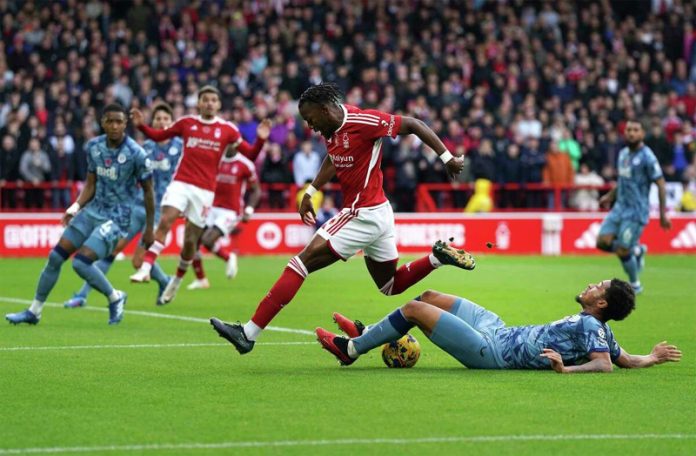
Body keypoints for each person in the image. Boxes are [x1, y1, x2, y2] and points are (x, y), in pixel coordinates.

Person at [210, 83, 473, 355]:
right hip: (379, 212)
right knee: (390, 285)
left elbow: (414, 124)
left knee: (301, 263)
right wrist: (311, 191)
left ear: (325, 110)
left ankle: (248, 333)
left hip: (362, 211)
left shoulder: (365, 121)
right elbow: (333, 158)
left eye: (311, 119)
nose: (310, 126)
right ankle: (436, 258)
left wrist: (447, 158)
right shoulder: (331, 129)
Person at [316, 280, 682, 373]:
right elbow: (622, 359)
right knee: (429, 296)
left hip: (492, 352)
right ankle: (368, 334)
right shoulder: (599, 330)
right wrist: (651, 357)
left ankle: (352, 349)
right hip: (499, 329)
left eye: (597, 287)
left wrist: (565, 369)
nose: (590, 285)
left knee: (414, 309)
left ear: (601, 304)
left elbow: (604, 364)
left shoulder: (592, 328)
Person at [6, 103, 155, 325]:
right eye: (110, 121)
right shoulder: (94, 146)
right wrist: (75, 207)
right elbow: (91, 183)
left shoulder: (137, 154)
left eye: (119, 122)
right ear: (102, 122)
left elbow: (149, 192)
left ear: (125, 124)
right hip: (92, 211)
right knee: (55, 257)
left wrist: (150, 229)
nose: (114, 126)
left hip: (117, 218)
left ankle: (114, 297)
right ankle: (34, 312)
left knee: (81, 263)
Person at [128, 86, 270, 305]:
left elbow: (250, 154)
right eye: (205, 99)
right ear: (199, 103)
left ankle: (176, 281)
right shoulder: (187, 123)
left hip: (204, 192)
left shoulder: (228, 130)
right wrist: (141, 126)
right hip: (181, 183)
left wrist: (260, 140)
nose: (209, 103)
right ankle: (145, 268)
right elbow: (159, 135)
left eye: (213, 100)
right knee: (165, 220)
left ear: (218, 104)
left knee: (190, 243)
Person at [64, 103, 183, 308]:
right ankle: (82, 295)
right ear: (153, 122)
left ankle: (164, 281)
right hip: (136, 206)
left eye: (166, 119)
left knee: (138, 261)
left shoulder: (180, 147)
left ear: (171, 122)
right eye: (158, 119)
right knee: (111, 249)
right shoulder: (145, 148)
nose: (161, 122)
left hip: (160, 210)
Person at [596, 120, 672, 293]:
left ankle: (635, 284)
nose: (631, 133)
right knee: (602, 242)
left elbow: (661, 184)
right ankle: (636, 250)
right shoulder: (623, 154)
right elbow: (623, 180)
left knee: (623, 250)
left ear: (642, 134)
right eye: (629, 129)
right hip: (619, 208)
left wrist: (663, 214)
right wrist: (610, 196)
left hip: (636, 212)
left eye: (635, 130)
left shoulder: (647, 157)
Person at [188, 147, 261, 289]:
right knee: (193, 240)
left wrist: (249, 209)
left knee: (207, 240)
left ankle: (228, 257)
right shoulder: (215, 159)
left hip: (230, 211)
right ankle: (201, 279)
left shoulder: (245, 164)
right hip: (211, 207)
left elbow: (256, 190)